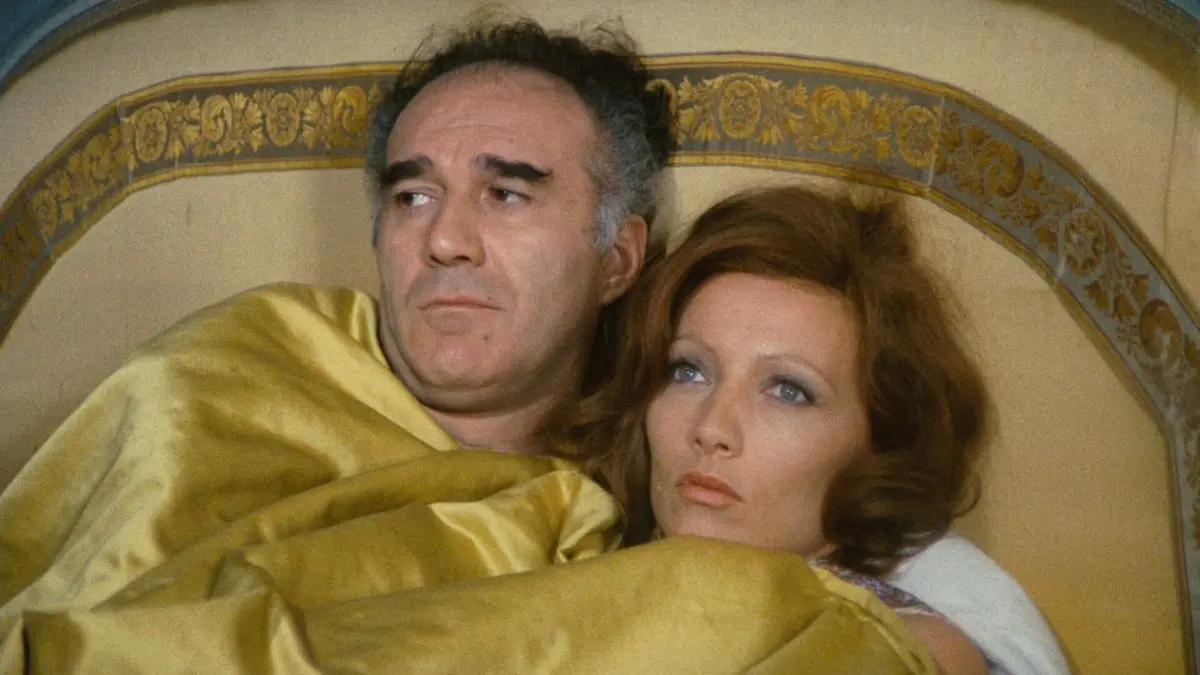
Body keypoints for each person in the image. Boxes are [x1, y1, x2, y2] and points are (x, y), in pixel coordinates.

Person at [0, 14, 1068, 675]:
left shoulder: (638, 513)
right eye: (412, 194)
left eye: (507, 193)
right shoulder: (231, 370)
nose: (445, 239)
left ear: (618, 258)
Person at [556, 184, 1063, 675]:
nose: (712, 428)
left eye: (788, 391)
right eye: (688, 371)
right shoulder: (563, 553)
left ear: (879, 441)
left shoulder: (899, 645)